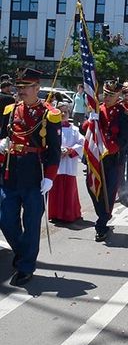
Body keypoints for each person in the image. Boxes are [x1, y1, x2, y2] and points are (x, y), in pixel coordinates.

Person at [0, 68, 61, 286]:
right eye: (19, 87)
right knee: (5, 220)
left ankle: (26, 266)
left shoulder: (49, 114)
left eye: (26, 87)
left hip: (35, 174)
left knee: (31, 222)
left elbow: (54, 149)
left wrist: (50, 177)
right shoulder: (10, 109)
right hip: (10, 170)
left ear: (37, 88)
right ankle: (23, 253)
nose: (21, 90)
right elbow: (2, 135)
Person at [82, 80, 128, 242]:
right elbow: (86, 129)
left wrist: (109, 148)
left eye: (112, 95)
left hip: (112, 159)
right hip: (95, 157)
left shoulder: (124, 114)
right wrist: (90, 122)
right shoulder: (97, 109)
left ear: (118, 96)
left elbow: (125, 139)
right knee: (92, 188)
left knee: (108, 192)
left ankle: (101, 224)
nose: (108, 97)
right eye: (106, 94)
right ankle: (102, 214)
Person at [48, 102, 84, 223]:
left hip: (68, 163)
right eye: (61, 111)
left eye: (66, 112)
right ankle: (55, 213)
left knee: (69, 189)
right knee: (55, 187)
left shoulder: (74, 129)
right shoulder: (51, 128)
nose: (63, 114)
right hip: (56, 163)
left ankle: (69, 214)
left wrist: (70, 150)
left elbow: (81, 143)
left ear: (69, 113)